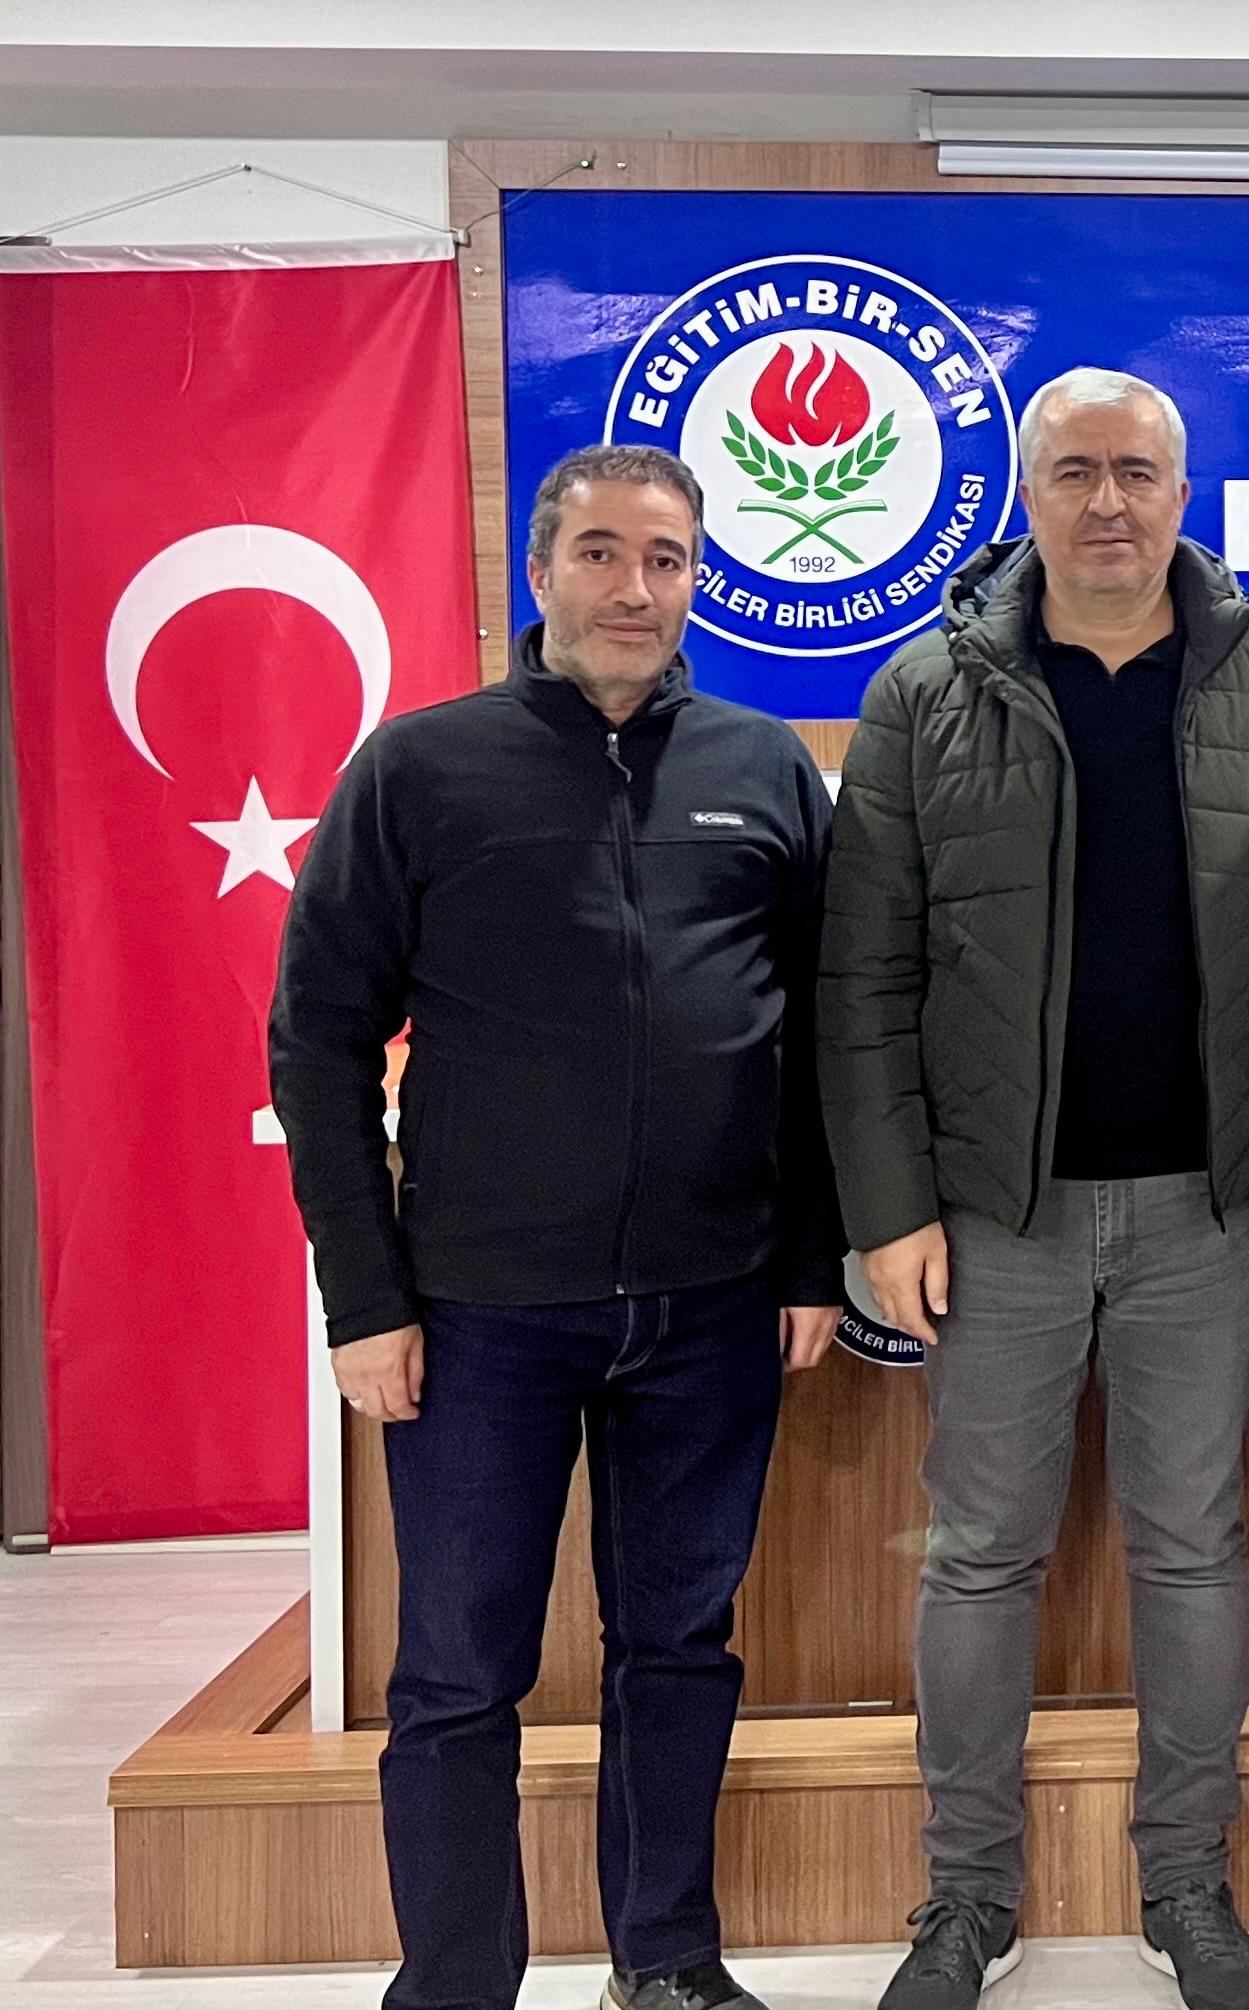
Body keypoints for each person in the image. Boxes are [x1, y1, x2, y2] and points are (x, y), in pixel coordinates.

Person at [270, 443, 846, 2010]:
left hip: (713, 1301)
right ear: (539, 574)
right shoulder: (419, 769)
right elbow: (318, 1038)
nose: (632, 588)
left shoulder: (763, 766)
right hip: (479, 1312)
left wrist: (808, 1259)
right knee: (460, 1672)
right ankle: (457, 1983)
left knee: (681, 1645)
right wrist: (362, 1295)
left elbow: (821, 1036)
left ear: (696, 580)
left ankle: (664, 1961)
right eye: (599, 553)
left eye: (664, 559)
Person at [820, 368, 1249, 2010]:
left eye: (1136, 470)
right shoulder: (928, 691)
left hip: (1210, 1208)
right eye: (1074, 471)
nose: (1107, 500)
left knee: (1191, 1548)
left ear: (1182, 493)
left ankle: (1185, 1885)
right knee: (979, 1553)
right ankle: (964, 1900)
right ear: (1030, 493)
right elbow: (864, 974)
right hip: (996, 1216)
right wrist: (886, 1207)